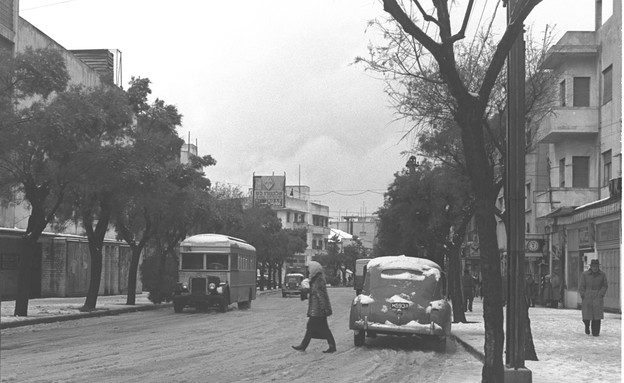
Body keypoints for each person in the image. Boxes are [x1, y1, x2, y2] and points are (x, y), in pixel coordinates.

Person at [292, 261, 336, 353]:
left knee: (311, 327)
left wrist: (324, 308)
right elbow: (314, 291)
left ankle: (303, 345)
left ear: (314, 270)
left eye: (309, 269)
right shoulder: (315, 280)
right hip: (318, 309)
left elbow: (320, 295)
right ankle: (332, 346)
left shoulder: (318, 281)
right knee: (321, 328)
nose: (308, 271)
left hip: (318, 309)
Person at [579, 259, 608, 336]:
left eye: (596, 266)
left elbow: (605, 285)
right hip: (587, 297)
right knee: (586, 316)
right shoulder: (585, 274)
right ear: (591, 266)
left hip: (597, 297)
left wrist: (601, 294)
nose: (595, 268)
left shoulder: (602, 275)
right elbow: (581, 286)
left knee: (597, 316)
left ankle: (595, 331)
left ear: (598, 266)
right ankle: (587, 325)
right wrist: (583, 295)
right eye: (593, 266)